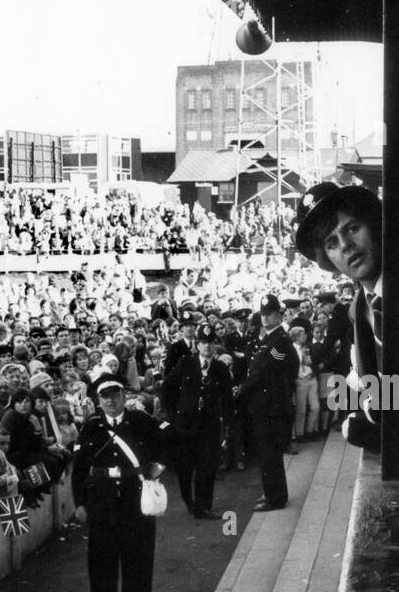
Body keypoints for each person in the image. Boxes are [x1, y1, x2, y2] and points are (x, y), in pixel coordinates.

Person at [70, 367, 181, 592]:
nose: (110, 400)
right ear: (98, 400)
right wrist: (80, 503)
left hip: (136, 499)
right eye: (104, 396)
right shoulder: (91, 427)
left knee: (139, 561)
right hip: (102, 503)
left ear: (123, 395)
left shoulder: (140, 420)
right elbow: (80, 468)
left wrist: (159, 467)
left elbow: (169, 442)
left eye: (115, 394)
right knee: (102, 566)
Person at [295, 182, 386, 451]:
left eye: (353, 228)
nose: (346, 245)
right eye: (332, 243)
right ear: (327, 259)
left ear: (374, 226)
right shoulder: (360, 307)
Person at [164, 323, 232, 519]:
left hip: (209, 424)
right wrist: (173, 412)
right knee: (185, 466)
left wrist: (227, 424)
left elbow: (227, 398)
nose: (207, 347)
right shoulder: (186, 363)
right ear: (197, 344)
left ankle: (204, 506)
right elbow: (168, 385)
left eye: (210, 343)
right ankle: (189, 501)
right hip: (185, 424)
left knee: (207, 466)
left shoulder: (220, 368)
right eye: (203, 343)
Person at [236, 294, 295, 512]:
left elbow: (266, 372)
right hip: (263, 405)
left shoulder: (280, 340)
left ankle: (276, 497)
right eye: (263, 314)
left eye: (269, 314)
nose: (265, 318)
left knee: (270, 453)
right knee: (266, 453)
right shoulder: (268, 339)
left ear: (279, 315)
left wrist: (241, 388)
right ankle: (272, 492)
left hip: (271, 405)